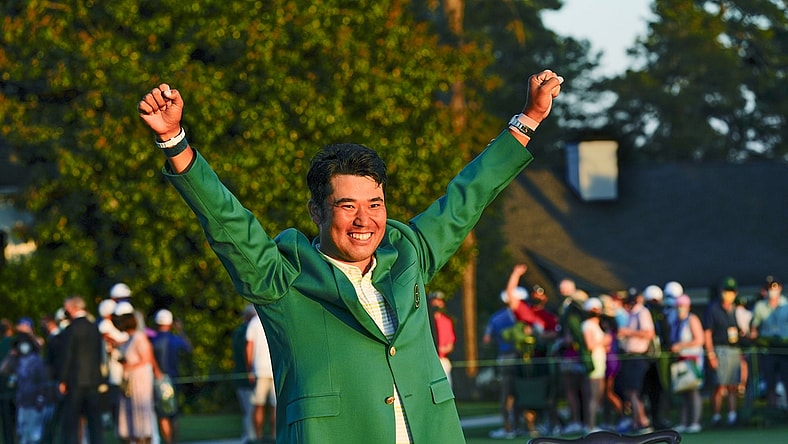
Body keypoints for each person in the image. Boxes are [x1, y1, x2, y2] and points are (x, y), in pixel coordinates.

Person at [138, 67, 563, 443]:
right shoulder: (280, 278)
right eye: (347, 206)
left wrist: (529, 119)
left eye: (374, 204)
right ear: (316, 211)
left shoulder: (409, 253)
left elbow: (467, 197)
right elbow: (226, 220)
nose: (365, 220)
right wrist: (174, 142)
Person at [483, 277, 528, 439]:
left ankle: (508, 427)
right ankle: (521, 425)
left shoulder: (495, 318)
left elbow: (487, 339)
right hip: (522, 358)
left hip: (504, 357)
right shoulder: (521, 316)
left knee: (507, 393)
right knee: (521, 392)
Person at [58, 296, 105, 444]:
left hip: (75, 381)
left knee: (71, 422)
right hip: (93, 380)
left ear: (72, 308)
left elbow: (67, 356)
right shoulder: (94, 327)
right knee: (94, 423)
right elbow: (99, 354)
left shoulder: (71, 329)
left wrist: (63, 379)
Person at [114, 302, 160, 444]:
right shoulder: (130, 339)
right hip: (130, 381)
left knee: (142, 412)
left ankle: (145, 437)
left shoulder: (139, 337)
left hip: (139, 380)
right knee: (131, 413)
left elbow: (146, 358)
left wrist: (130, 365)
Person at [704, 276, 744, 427]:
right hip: (719, 349)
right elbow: (707, 333)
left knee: (732, 385)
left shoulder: (736, 309)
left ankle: (732, 416)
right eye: (727, 291)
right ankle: (716, 416)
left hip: (734, 349)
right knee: (719, 385)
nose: (729, 294)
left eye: (732, 291)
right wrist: (711, 354)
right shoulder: (713, 308)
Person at [616, 289, 654, 433]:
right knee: (630, 391)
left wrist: (628, 332)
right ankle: (637, 421)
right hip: (630, 356)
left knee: (634, 391)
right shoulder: (631, 314)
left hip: (638, 356)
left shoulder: (642, 312)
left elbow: (648, 333)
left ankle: (642, 421)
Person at [151, 309, 192, 444]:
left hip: (157, 380)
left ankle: (168, 441)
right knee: (173, 414)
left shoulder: (153, 339)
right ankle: (173, 441)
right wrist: (180, 330)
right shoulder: (175, 339)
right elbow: (188, 348)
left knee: (163, 415)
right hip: (174, 379)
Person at [0, 333, 48, 444]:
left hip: (34, 402)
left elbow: (42, 381)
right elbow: (3, 370)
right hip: (22, 402)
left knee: (33, 435)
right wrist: (11, 356)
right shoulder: (17, 361)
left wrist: (40, 398)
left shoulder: (36, 361)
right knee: (23, 432)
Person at [669, 294, 705, 433]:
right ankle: (684, 422)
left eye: (682, 306)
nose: (679, 309)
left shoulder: (692, 319)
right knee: (683, 391)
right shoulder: (677, 321)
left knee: (693, 390)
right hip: (681, 360)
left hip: (693, 359)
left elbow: (699, 339)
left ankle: (695, 422)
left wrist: (681, 345)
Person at [750, 278, 787, 410]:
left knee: (786, 380)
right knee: (770, 382)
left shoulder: (786, 305)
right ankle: (773, 411)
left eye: (775, 287)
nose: (773, 291)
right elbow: (754, 327)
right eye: (770, 288)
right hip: (767, 349)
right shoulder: (760, 306)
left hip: (784, 349)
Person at [245, 312, 276, 442]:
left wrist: (249, 369)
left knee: (259, 405)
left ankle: (258, 437)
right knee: (276, 406)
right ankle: (275, 435)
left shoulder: (254, 322)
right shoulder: (273, 316)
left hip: (259, 369)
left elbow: (249, 346)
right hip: (275, 369)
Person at [582, 298, 609, 432]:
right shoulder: (587, 325)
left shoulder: (598, 324)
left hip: (600, 362)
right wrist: (604, 341)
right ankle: (590, 426)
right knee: (593, 395)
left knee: (598, 394)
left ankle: (593, 424)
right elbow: (590, 345)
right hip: (594, 363)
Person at [232, 305, 257, 444]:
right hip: (245, 376)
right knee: (250, 410)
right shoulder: (244, 332)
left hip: (243, 375)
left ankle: (249, 436)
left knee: (249, 410)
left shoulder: (239, 331)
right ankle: (250, 438)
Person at [428, 291, 456, 387]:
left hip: (442, 359)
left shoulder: (447, 321)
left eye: (439, 301)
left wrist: (441, 350)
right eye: (435, 301)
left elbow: (450, 344)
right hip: (428, 360)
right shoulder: (426, 321)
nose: (437, 303)